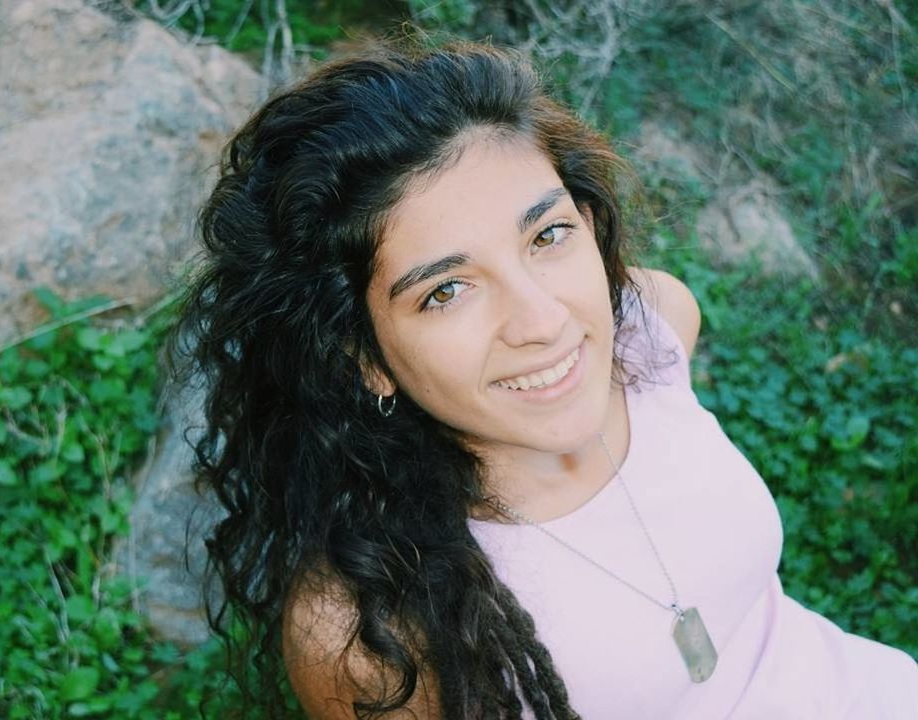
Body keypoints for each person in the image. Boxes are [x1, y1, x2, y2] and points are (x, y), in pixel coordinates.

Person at [174, 41, 918, 719]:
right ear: (361, 354)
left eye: (547, 235)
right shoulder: (366, 627)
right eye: (446, 291)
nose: (542, 320)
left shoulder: (652, 330)